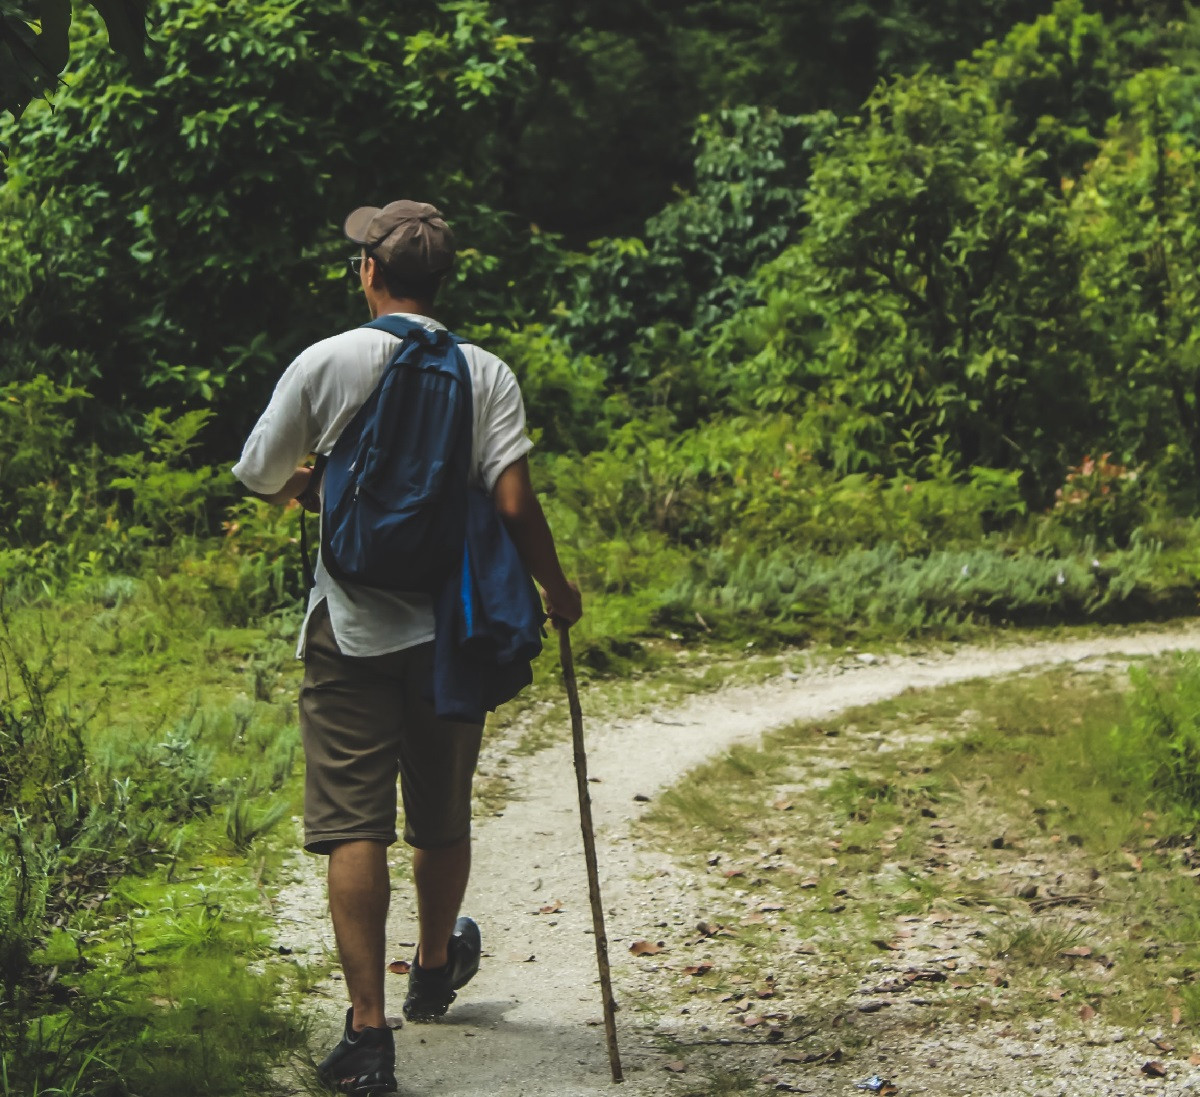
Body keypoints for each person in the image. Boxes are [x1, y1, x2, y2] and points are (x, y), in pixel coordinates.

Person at [232, 200, 582, 1096]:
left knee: (354, 821)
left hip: (348, 627)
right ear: (442, 281)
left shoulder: (329, 359)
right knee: (442, 806)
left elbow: (258, 473)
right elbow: (511, 503)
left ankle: (368, 1032)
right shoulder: (486, 371)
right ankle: (433, 967)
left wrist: (312, 493)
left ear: (371, 274)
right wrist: (555, 585)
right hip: (451, 631)